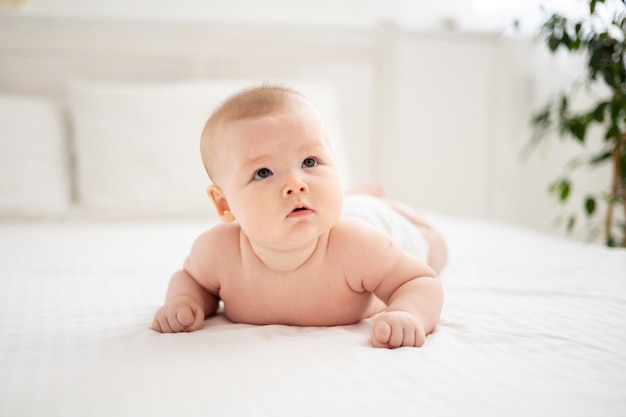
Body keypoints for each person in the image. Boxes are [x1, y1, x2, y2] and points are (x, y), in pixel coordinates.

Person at [151, 85, 448, 348]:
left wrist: (409, 313)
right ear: (224, 204)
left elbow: (419, 281)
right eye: (263, 172)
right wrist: (184, 301)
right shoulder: (217, 253)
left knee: (434, 247)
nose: (296, 183)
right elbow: (191, 280)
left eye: (310, 162)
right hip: (328, 209)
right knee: (354, 203)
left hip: (379, 222)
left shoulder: (359, 246)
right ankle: (360, 194)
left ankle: (373, 199)